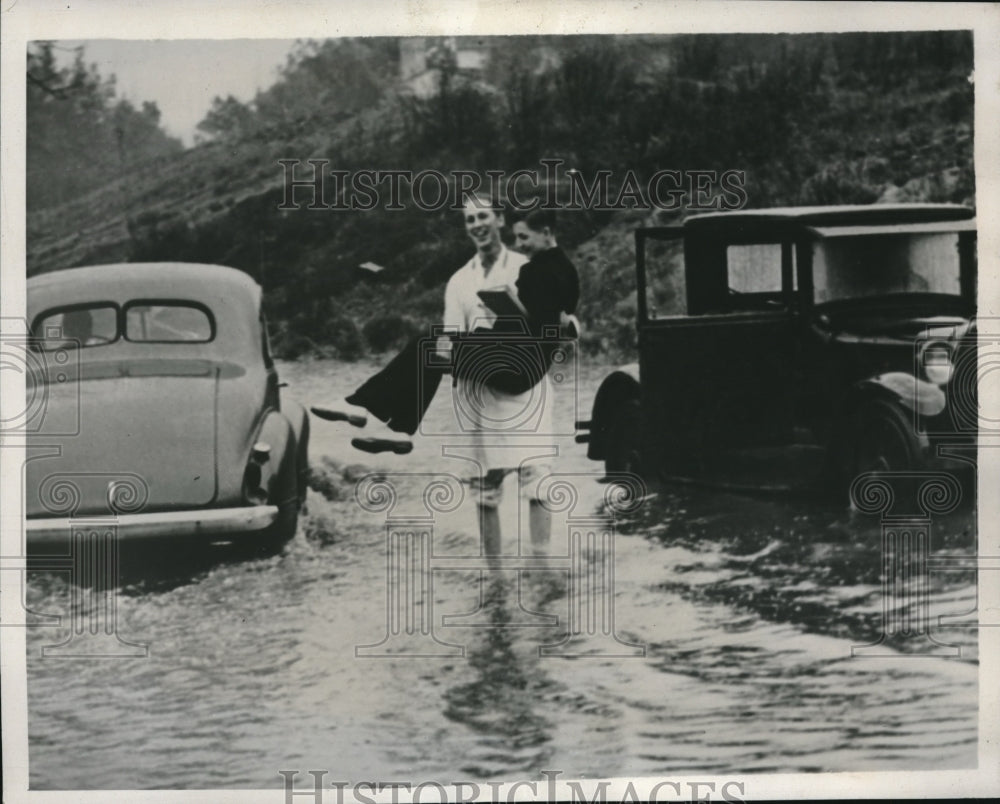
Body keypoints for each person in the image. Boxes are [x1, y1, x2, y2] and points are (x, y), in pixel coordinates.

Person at [312, 195, 580, 558]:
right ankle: (495, 576)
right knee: (485, 488)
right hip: (478, 387)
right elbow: (452, 335)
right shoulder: (459, 280)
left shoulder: (527, 263)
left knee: (537, 479)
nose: (477, 225)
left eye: (483, 216)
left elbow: (560, 316)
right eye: (469, 220)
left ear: (500, 219)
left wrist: (568, 325)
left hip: (522, 386)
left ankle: (543, 566)